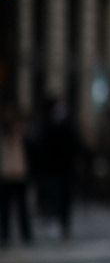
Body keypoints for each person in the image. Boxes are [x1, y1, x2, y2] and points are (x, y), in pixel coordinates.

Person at [34, 98, 85, 240]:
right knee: (56, 196)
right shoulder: (49, 125)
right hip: (54, 169)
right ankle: (58, 222)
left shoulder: (67, 125)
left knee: (64, 198)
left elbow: (77, 144)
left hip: (63, 169)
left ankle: (63, 224)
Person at [0, 105, 34, 247]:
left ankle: (25, 234)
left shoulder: (21, 132)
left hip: (20, 173)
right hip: (6, 174)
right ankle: (6, 235)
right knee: (5, 208)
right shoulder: (3, 133)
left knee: (21, 207)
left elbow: (31, 150)